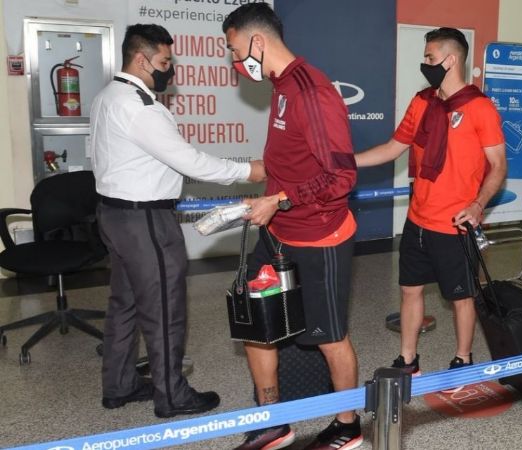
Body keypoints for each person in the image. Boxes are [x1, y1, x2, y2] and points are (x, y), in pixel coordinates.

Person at [89, 24, 265, 418]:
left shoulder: (106, 96)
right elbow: (189, 161)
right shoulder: (139, 106)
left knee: (125, 304)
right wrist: (248, 170)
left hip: (113, 215)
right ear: (140, 58)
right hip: (146, 221)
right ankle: (172, 395)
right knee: (165, 308)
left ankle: (118, 385)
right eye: (165, 62)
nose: (170, 70)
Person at [222, 4, 362, 450]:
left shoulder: (311, 92)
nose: (233, 60)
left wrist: (278, 199)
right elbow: (292, 163)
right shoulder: (280, 86)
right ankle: (272, 420)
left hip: (321, 238)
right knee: (254, 322)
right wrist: (265, 192)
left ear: (257, 42)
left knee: (330, 337)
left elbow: (341, 177)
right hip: (278, 231)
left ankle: (347, 424)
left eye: (234, 48)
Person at [356, 28, 507, 385]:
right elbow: (393, 148)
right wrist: (347, 161)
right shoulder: (422, 102)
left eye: (430, 57)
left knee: (462, 297)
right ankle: (408, 359)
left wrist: (478, 204)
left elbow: (498, 164)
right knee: (410, 290)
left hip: (455, 224)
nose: (425, 63)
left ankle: (463, 358)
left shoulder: (479, 107)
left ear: (451, 60)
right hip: (418, 220)